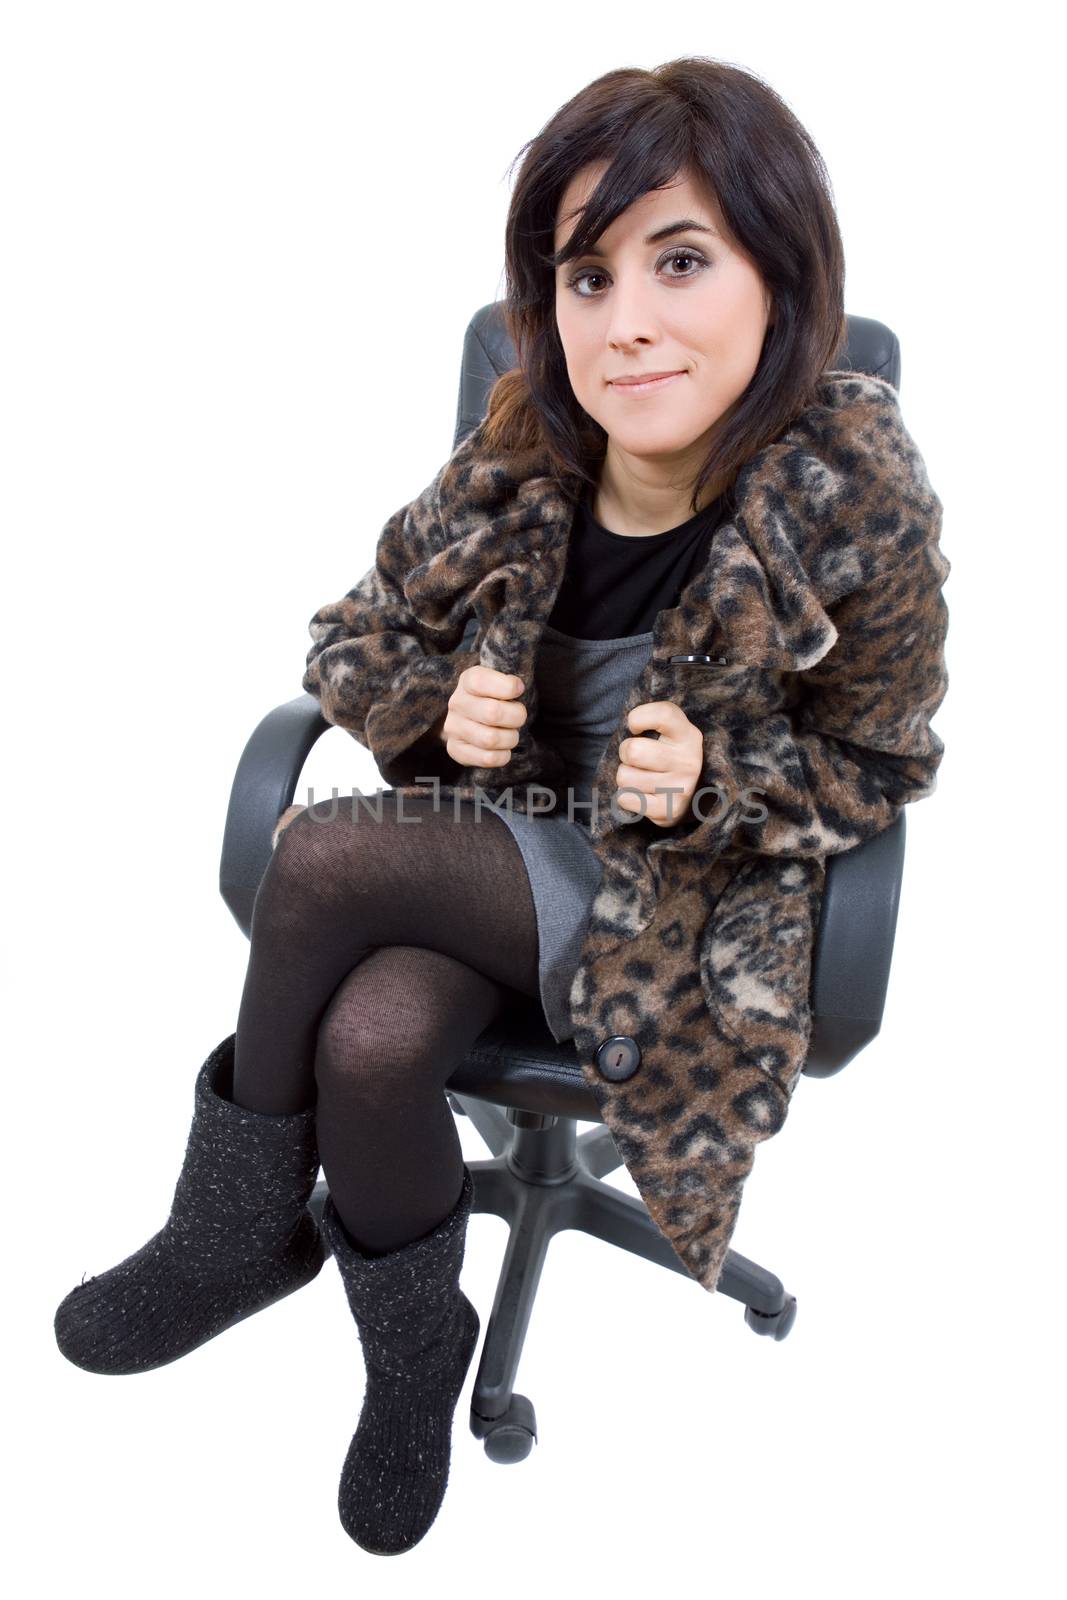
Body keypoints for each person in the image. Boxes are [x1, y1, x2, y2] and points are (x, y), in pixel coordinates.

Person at [53, 56, 950, 1557]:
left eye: (681, 260)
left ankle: (231, 1230)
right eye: (585, 276)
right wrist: (428, 705)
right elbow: (351, 631)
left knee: (330, 851)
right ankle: (416, 1366)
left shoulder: (853, 484)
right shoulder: (522, 446)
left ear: (781, 276)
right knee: (373, 1039)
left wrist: (722, 779)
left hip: (684, 910)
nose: (627, 322)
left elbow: (886, 761)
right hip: (492, 851)